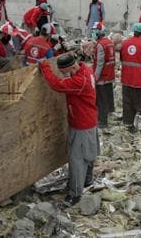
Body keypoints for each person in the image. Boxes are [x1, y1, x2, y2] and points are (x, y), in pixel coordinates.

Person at [39, 54, 98, 206]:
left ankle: (75, 194)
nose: (65, 76)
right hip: (89, 119)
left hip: (81, 123)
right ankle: (87, 180)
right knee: (88, 153)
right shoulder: (86, 70)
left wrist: (45, 67)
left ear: (72, 67)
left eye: (65, 72)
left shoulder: (79, 81)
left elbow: (57, 85)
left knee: (77, 159)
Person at [91, 22, 116, 127]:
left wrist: (95, 77)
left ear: (99, 32)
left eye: (94, 31)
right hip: (110, 73)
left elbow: (100, 63)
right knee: (108, 95)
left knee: (101, 99)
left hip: (103, 75)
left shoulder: (100, 45)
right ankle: (110, 113)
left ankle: (102, 121)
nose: (93, 33)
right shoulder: (109, 42)